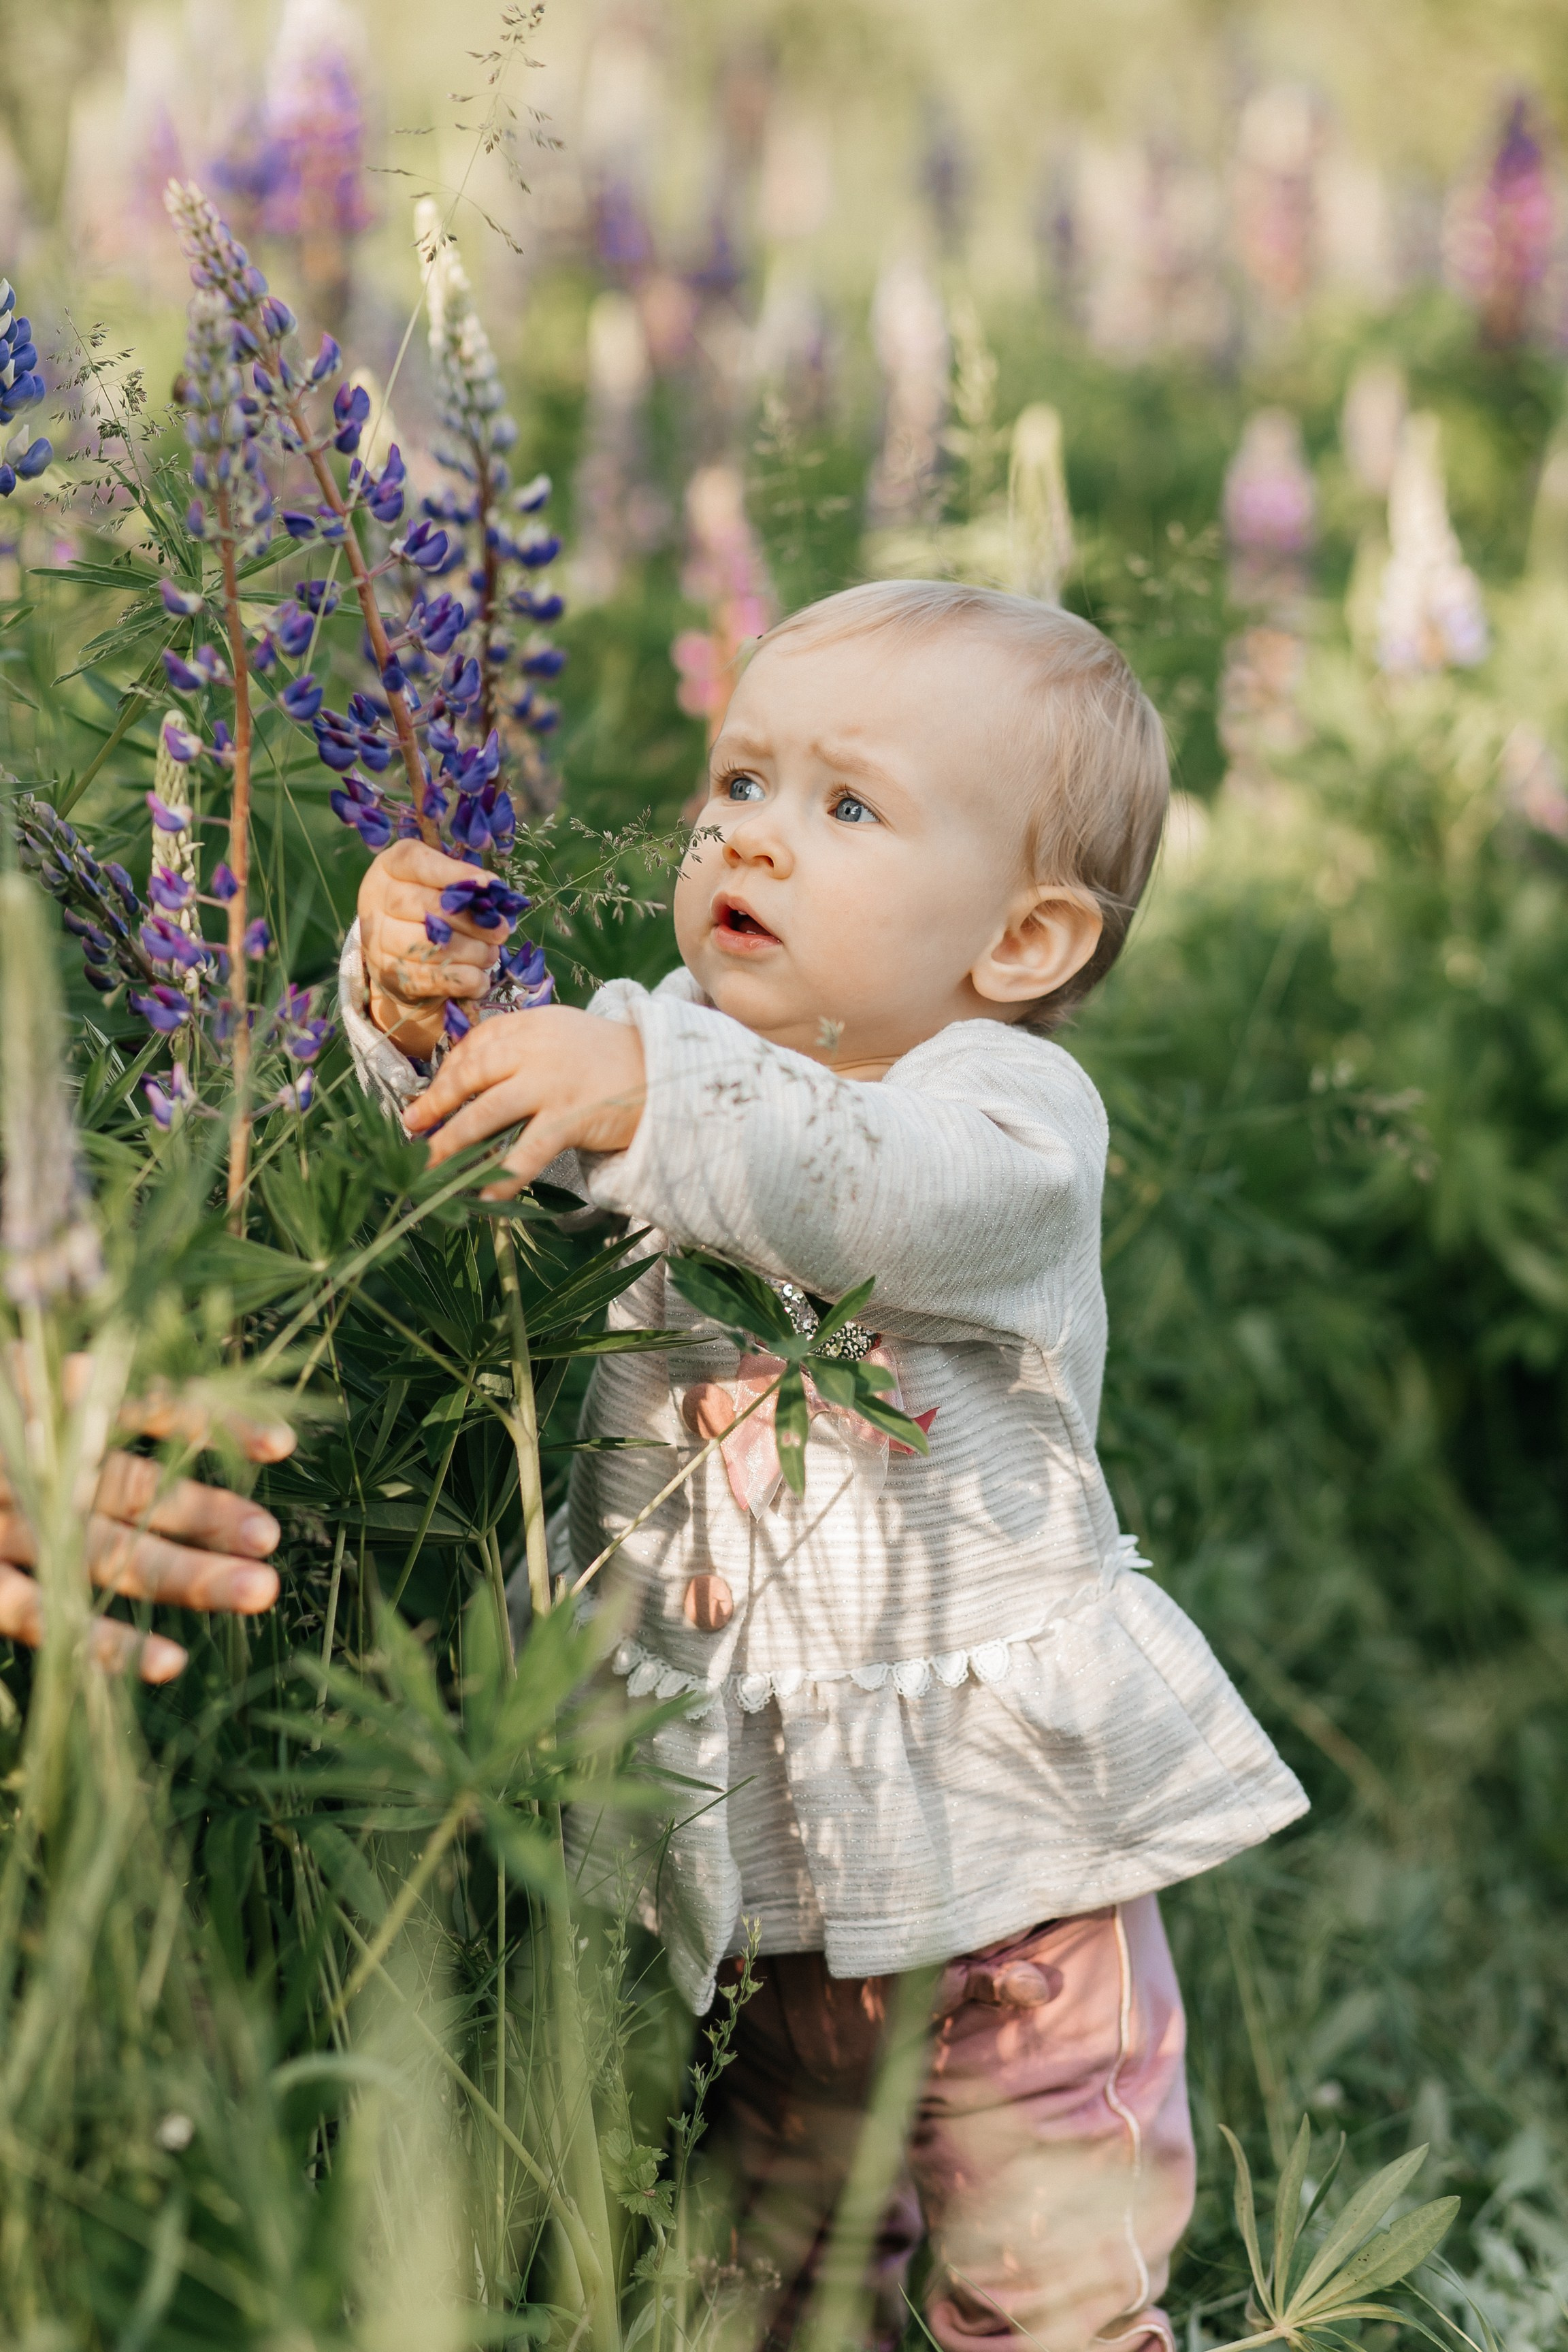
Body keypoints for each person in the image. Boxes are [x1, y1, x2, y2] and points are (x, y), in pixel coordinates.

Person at [344, 581, 1309, 2351]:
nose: (752, 836)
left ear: (1021, 942)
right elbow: (509, 1115)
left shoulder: (1013, 1121)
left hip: (1015, 1906)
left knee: (1053, 2297)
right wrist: (420, 1012)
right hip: (752, 1896)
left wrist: (640, 1090)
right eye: (740, 783)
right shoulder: (658, 1052)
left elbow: (863, 1183)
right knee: (771, 2297)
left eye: (843, 807)